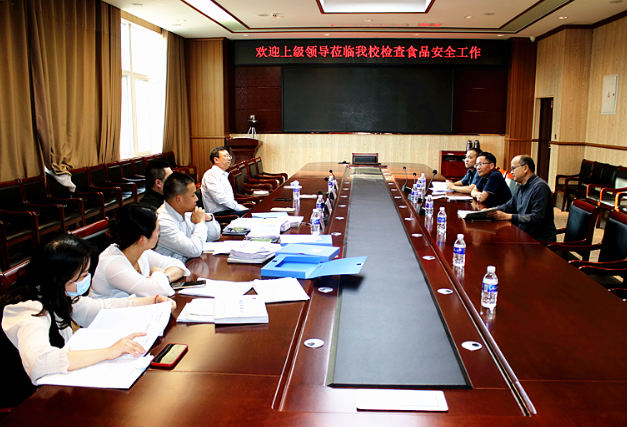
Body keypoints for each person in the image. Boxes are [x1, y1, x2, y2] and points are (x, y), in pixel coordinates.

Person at [0, 233, 176, 407]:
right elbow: (39, 362)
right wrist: (108, 352)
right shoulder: (28, 309)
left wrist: (152, 301)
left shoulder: (57, 292)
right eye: (82, 275)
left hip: (55, 386)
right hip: (25, 400)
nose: (87, 280)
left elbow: (100, 308)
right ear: (59, 277)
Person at [90, 204, 189, 299]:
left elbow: (178, 265)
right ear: (142, 239)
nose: (159, 233)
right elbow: (159, 291)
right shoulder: (113, 265)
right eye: (157, 230)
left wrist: (163, 277)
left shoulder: (139, 250)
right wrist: (157, 273)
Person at [488, 155, 557, 241]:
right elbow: (509, 206)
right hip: (523, 234)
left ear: (525, 168)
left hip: (538, 240)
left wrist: (508, 216)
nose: (511, 172)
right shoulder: (522, 186)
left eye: (513, 168)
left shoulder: (540, 187)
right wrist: (490, 210)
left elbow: (537, 217)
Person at [156, 172, 221, 262]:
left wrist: (208, 220)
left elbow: (214, 236)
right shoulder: (162, 222)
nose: (196, 199)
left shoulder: (186, 212)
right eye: (192, 195)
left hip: (190, 264)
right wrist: (200, 223)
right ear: (179, 199)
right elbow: (194, 250)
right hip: (172, 269)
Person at [201, 146, 249, 216]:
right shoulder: (211, 174)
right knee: (253, 213)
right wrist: (239, 208)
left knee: (255, 211)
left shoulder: (223, 174)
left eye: (229, 156)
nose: (229, 158)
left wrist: (238, 207)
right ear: (216, 160)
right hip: (220, 214)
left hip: (229, 209)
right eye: (225, 156)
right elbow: (220, 198)